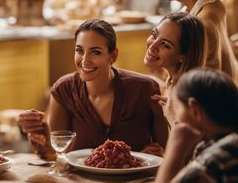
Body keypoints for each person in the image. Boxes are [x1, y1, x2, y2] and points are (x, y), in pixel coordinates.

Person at [18, 19, 168, 159]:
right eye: (79, 50)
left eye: (95, 52)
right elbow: (55, 153)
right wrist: (40, 141)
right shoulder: (64, 89)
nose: (85, 60)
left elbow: (165, 149)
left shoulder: (145, 89)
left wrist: (153, 155)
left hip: (132, 182)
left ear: (113, 56)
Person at [144, 12, 206, 125]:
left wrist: (173, 117)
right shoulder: (174, 81)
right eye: (154, 34)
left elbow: (189, 140)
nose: (153, 46)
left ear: (182, 56)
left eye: (165, 44)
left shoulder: (187, 94)